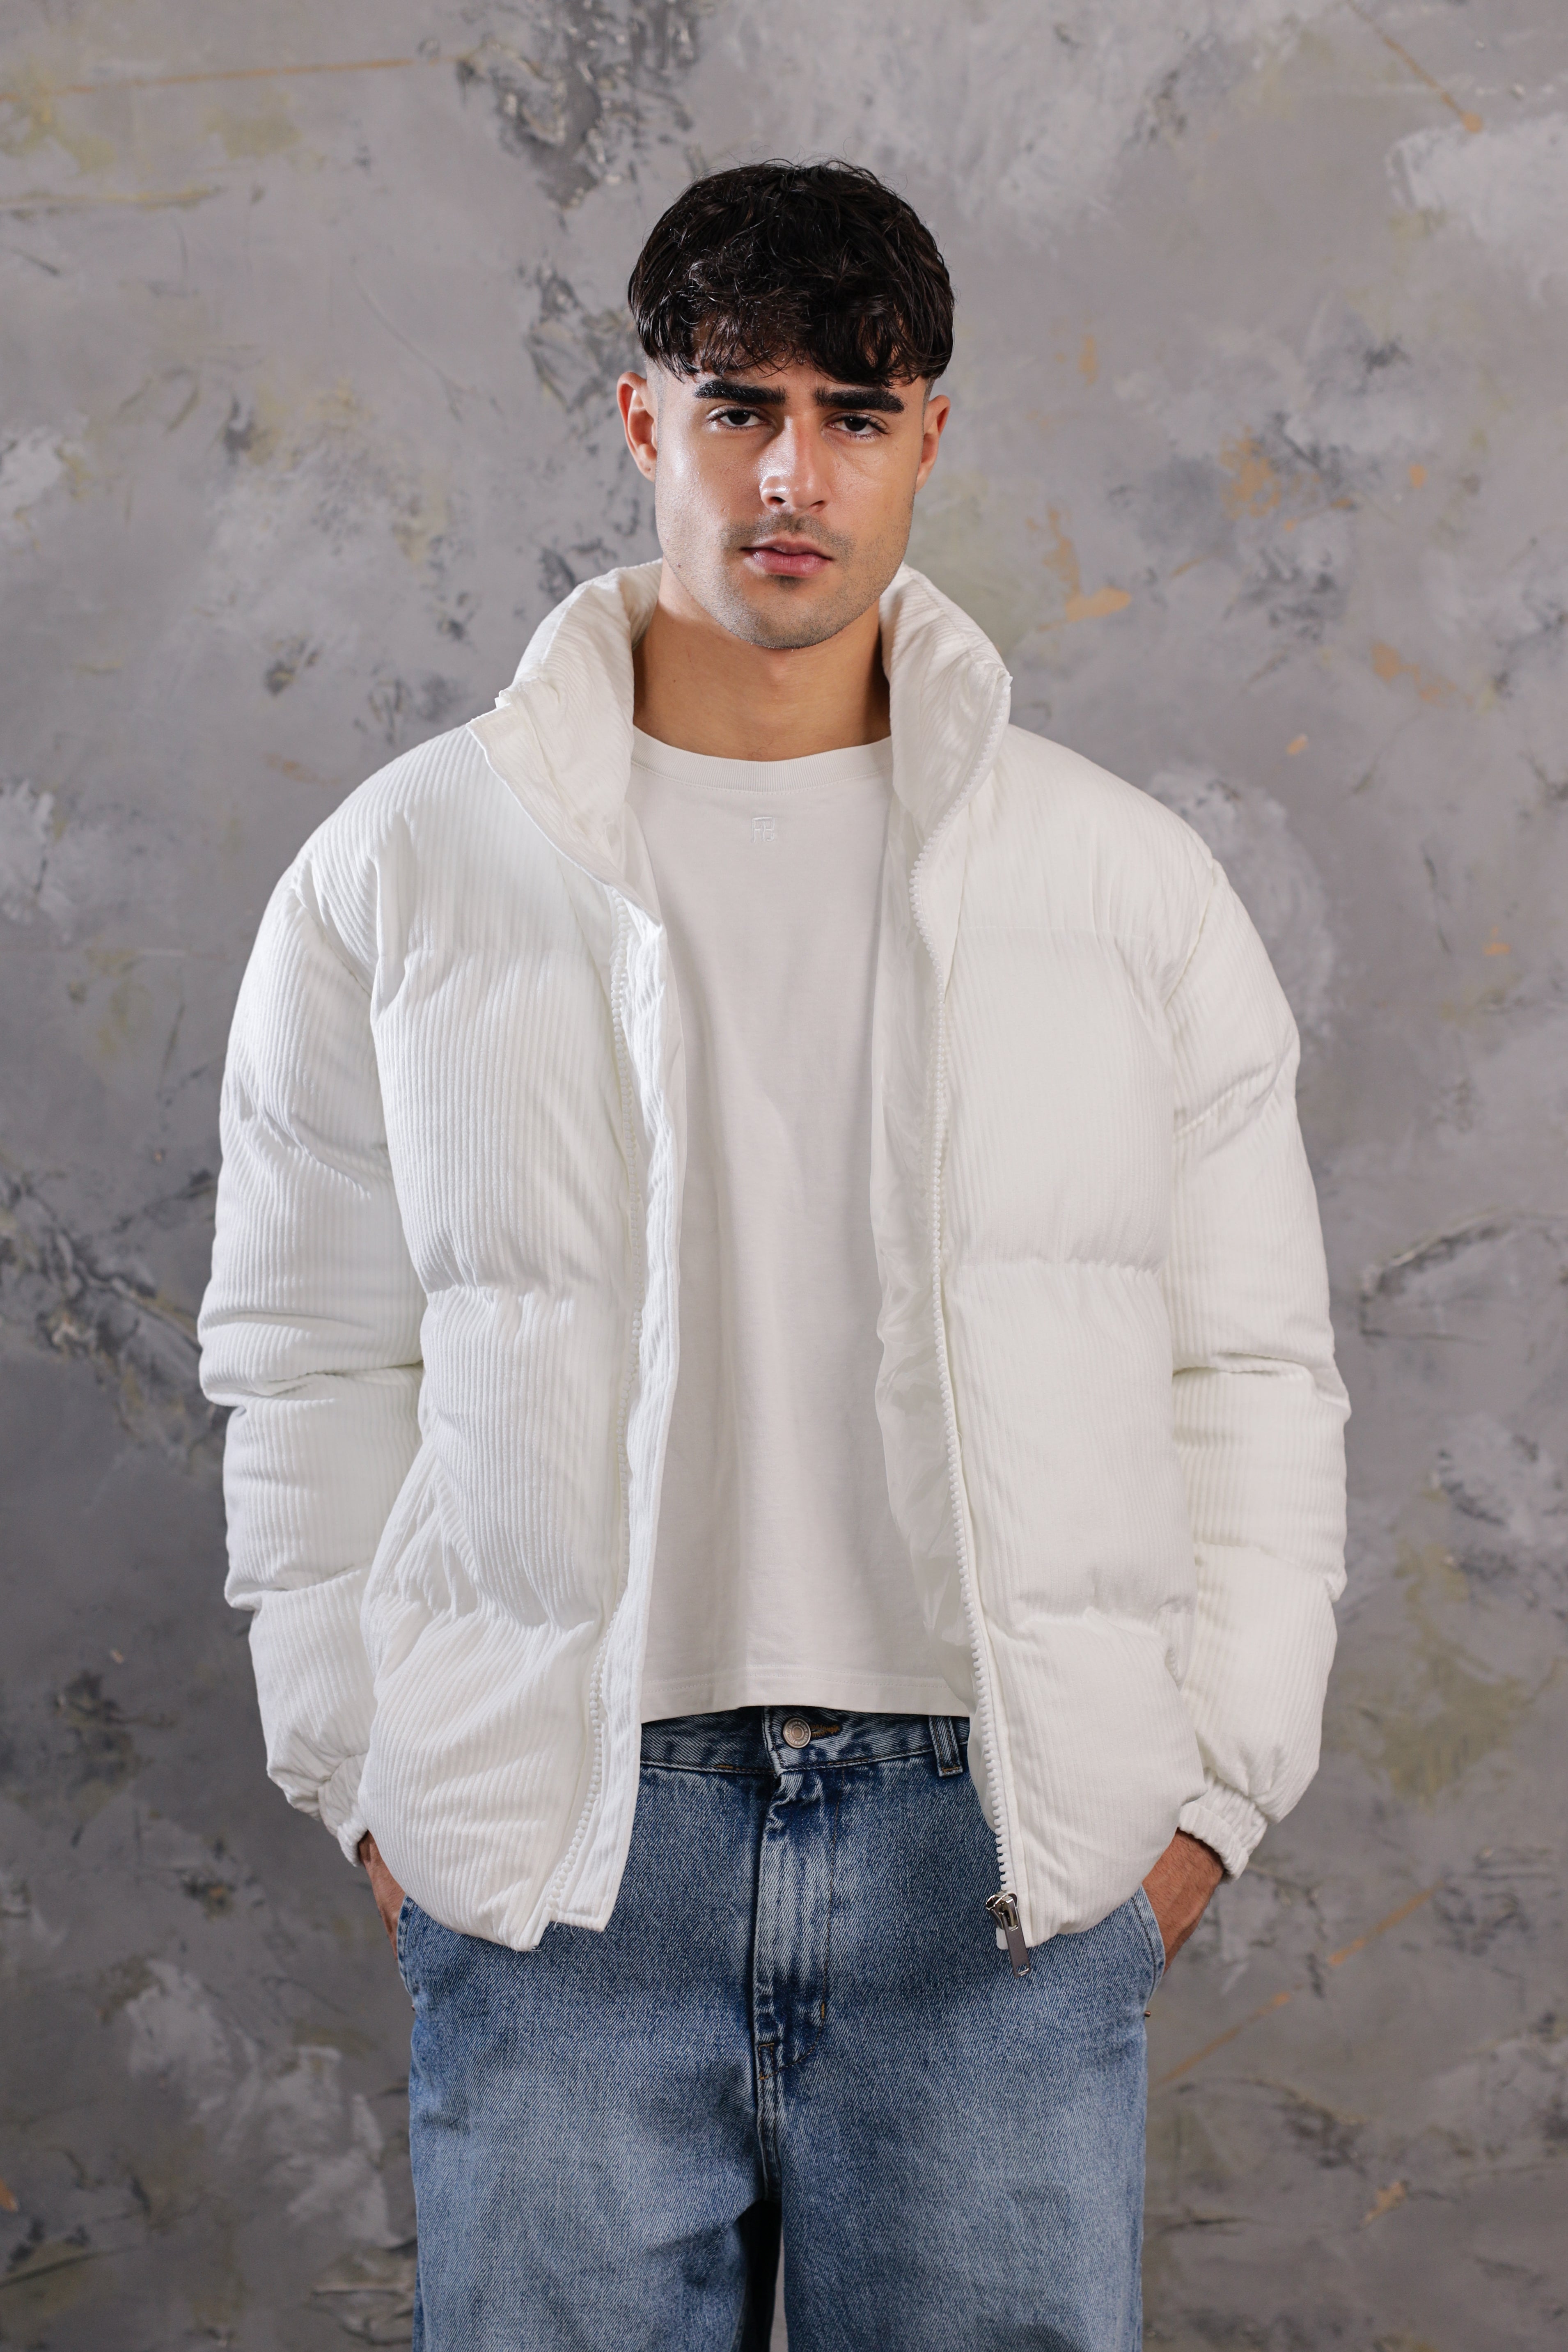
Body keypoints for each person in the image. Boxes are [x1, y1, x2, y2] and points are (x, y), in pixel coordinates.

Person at [198, 160, 1348, 2352]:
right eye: (739, 407)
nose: (792, 474)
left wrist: (1202, 1806)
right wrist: (371, 1785)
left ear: (931, 438)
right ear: (645, 420)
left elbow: (1252, 1374)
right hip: (562, 1859)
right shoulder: (404, 875)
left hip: (998, 1864)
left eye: (854, 411)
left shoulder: (1124, 890)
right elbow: (306, 1357)